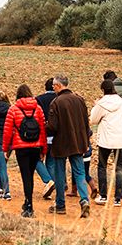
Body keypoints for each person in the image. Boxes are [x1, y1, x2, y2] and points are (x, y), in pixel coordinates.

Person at [45, 75, 91, 218]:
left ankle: (60, 205)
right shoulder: (79, 100)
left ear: (58, 86)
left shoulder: (56, 102)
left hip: (61, 144)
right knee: (79, 173)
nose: (52, 88)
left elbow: (53, 127)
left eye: (53, 85)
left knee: (60, 174)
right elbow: (86, 122)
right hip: (78, 142)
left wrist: (44, 126)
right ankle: (84, 200)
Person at [89, 79, 122, 207]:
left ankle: (103, 196)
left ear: (103, 90)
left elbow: (92, 120)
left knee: (102, 167)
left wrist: (95, 105)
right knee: (119, 168)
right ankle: (118, 199)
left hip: (105, 140)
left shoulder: (101, 104)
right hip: (120, 140)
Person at [3, 84, 47, 218]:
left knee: (25, 176)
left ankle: (28, 205)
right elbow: (43, 130)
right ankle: (29, 204)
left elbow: (8, 131)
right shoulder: (38, 109)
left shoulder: (13, 109)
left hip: (21, 147)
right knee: (31, 176)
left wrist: (6, 148)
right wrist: (43, 149)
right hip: (35, 147)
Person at [35, 78, 58, 200]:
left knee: (36, 160)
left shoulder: (38, 99)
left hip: (43, 136)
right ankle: (54, 187)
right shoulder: (59, 99)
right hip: (56, 137)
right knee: (51, 163)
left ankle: (48, 181)